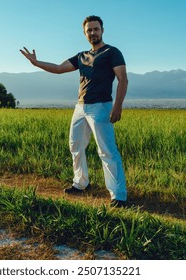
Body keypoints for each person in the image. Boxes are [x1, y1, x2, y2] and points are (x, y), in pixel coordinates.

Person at [20, 15, 128, 208]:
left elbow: (123, 79)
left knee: (107, 151)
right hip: (80, 107)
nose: (93, 33)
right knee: (75, 146)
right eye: (89, 30)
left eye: (96, 29)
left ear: (102, 30)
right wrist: (36, 63)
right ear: (84, 33)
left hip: (101, 106)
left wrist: (117, 106)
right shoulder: (81, 56)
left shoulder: (112, 52)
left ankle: (118, 196)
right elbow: (59, 68)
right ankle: (80, 184)